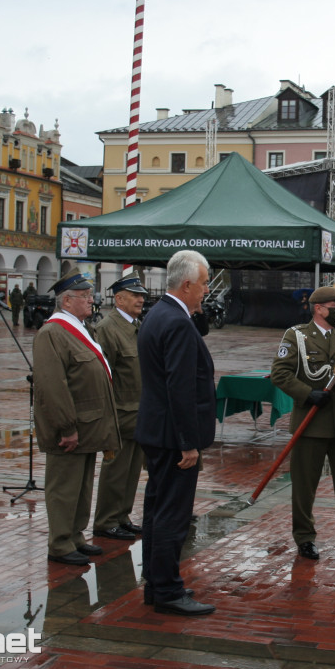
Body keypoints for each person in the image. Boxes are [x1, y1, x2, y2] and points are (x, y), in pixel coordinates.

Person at [270, 286, 335, 562]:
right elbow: (279, 374)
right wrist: (308, 394)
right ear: (318, 308)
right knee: (305, 485)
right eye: (334, 305)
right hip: (311, 422)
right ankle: (304, 537)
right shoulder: (297, 336)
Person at [136, 250, 217, 616]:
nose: (206, 291)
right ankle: (167, 590)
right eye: (203, 284)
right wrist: (188, 443)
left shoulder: (158, 314)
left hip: (157, 431)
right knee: (172, 515)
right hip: (174, 437)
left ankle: (155, 584)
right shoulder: (177, 322)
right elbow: (180, 387)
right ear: (186, 284)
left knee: (156, 511)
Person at [32, 272, 121, 566]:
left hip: (88, 425)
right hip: (70, 428)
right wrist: (66, 427)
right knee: (64, 487)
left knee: (81, 487)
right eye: (85, 296)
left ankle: (75, 536)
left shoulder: (82, 328)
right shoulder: (52, 333)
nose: (91, 300)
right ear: (67, 301)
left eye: (90, 295)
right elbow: (52, 386)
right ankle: (59, 543)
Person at [92, 269, 148, 543]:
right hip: (119, 413)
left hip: (138, 412)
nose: (140, 300)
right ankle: (105, 521)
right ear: (119, 299)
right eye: (135, 296)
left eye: (141, 296)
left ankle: (122, 516)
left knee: (132, 469)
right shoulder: (107, 329)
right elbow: (103, 376)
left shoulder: (137, 326)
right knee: (115, 470)